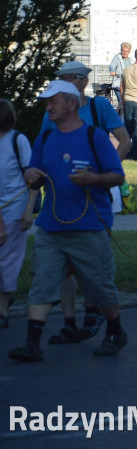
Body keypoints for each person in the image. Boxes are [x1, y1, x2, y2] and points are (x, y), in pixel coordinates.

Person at [9, 81, 127, 361]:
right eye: (47, 102)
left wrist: (94, 179)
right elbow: (35, 174)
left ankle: (115, 331)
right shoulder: (46, 139)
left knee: (99, 285)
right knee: (41, 283)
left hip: (88, 226)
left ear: (72, 104)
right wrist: (30, 177)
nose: (48, 107)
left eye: (53, 102)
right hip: (51, 227)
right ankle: (32, 344)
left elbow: (117, 176)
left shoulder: (94, 137)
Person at [41, 61, 131, 344]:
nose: (63, 83)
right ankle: (69, 321)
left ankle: (94, 313)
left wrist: (106, 170)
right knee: (65, 261)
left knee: (92, 261)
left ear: (81, 81)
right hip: (62, 196)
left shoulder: (98, 107)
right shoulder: (54, 109)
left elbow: (125, 139)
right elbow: (43, 145)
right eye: (60, 79)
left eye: (67, 78)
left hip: (95, 194)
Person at [0, 99, 39, 328]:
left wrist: (28, 211)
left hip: (14, 211)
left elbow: (32, 179)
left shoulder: (18, 140)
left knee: (7, 262)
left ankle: (2, 312)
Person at [108, 42, 132, 110]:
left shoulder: (131, 59)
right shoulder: (117, 57)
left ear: (129, 51)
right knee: (121, 102)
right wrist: (112, 71)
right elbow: (112, 65)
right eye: (123, 51)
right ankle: (120, 119)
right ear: (121, 50)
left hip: (128, 84)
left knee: (127, 104)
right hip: (118, 83)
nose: (125, 53)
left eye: (127, 51)